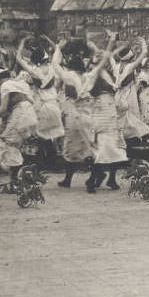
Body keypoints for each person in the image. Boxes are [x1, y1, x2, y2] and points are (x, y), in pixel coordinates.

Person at [49, 39, 97, 188]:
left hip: (75, 115)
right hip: (89, 114)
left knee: (71, 147)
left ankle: (77, 177)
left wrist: (58, 48)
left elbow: (55, 65)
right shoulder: (89, 76)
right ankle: (75, 178)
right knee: (86, 146)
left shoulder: (70, 77)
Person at [0, 67, 38, 186]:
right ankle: (24, 176)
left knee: (7, 143)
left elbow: (4, 109)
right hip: (29, 114)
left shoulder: (5, 85)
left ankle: (17, 180)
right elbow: (10, 105)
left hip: (20, 115)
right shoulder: (18, 83)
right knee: (16, 146)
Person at [17, 36, 65, 167]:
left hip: (42, 106)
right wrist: (54, 43)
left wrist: (22, 42)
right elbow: (57, 51)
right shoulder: (53, 67)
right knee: (54, 133)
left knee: (41, 135)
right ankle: (53, 160)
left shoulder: (35, 71)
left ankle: (43, 162)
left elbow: (19, 59)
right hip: (54, 104)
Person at [86, 32, 124, 191]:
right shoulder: (92, 75)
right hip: (100, 111)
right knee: (101, 146)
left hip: (111, 111)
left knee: (114, 146)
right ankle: (93, 179)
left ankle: (112, 179)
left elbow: (109, 57)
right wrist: (111, 41)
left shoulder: (111, 74)